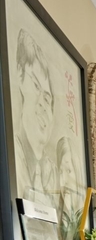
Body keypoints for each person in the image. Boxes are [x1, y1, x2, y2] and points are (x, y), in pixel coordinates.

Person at [13, 29, 58, 209]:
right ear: (20, 76)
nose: (42, 104)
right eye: (35, 86)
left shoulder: (52, 172)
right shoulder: (14, 158)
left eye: (47, 98)